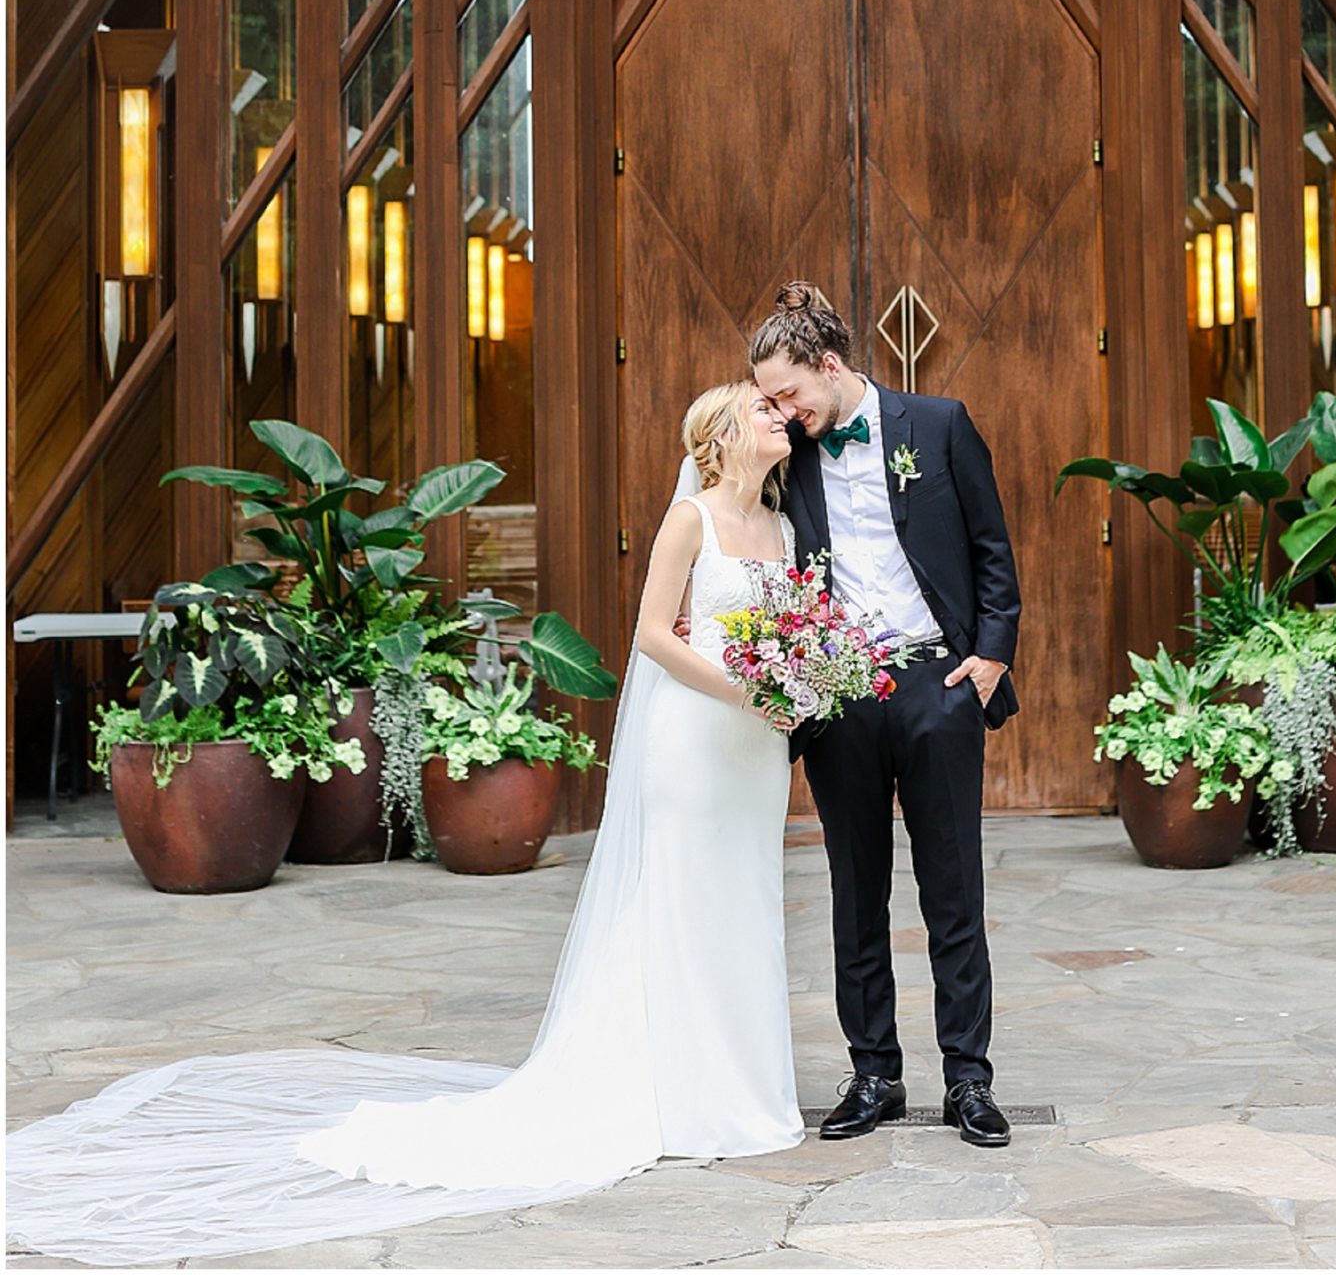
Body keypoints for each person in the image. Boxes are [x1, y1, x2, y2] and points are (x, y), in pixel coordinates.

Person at [5, 383, 806, 1268]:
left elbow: (786, 630)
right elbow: (654, 636)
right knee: (683, 905)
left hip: (755, 751)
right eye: (765, 410)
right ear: (724, 434)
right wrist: (745, 690)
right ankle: (680, 1093)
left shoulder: (783, 527)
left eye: (782, 410)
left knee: (742, 903)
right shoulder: (689, 518)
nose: (781, 418)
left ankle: (740, 1088)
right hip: (694, 740)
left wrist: (800, 687)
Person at [750, 280, 1021, 1149]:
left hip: (937, 684)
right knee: (853, 889)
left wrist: (990, 656)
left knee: (953, 889)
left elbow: (990, 546)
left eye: (789, 393)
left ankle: (969, 1081)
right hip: (838, 693)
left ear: (830, 365)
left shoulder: (939, 424)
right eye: (770, 400)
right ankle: (874, 1076)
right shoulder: (786, 455)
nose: (783, 412)